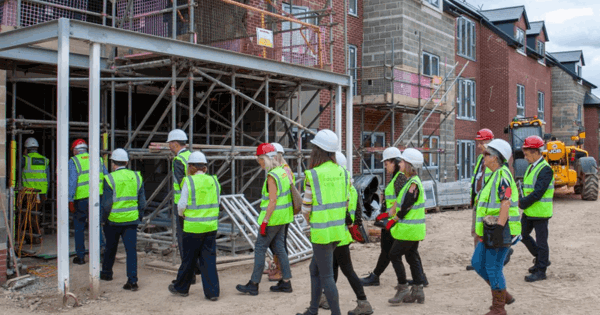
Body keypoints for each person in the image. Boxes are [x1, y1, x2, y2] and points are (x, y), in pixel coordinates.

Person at [295, 129, 348, 315]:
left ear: (317, 150)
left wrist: (313, 222)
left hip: (321, 233)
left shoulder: (314, 174)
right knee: (315, 269)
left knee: (326, 276)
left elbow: (306, 209)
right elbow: (346, 202)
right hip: (337, 232)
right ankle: (312, 310)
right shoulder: (343, 172)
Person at [319, 151, 372, 315]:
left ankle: (363, 302)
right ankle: (327, 297)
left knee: (347, 270)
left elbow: (346, 214)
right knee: (333, 267)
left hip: (339, 234)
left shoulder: (341, 186)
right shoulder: (349, 185)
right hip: (341, 233)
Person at [471, 139, 521, 315]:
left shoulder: (502, 176)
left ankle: (499, 308)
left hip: (501, 230)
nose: (483, 156)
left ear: (496, 158)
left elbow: (505, 202)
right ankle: (503, 294)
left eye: (487, 154)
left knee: (493, 268)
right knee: (477, 263)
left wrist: (499, 228)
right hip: (489, 230)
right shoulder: (493, 175)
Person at [236, 143, 293, 295]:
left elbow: (272, 201)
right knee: (280, 249)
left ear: (267, 159)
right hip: (283, 218)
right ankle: (286, 282)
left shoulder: (272, 176)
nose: (259, 163)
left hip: (272, 219)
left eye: (260, 159)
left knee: (260, 249)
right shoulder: (282, 172)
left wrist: (265, 222)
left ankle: (254, 284)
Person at [169, 151, 221, 300]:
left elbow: (182, 204)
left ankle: (181, 288)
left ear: (191, 167)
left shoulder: (189, 181)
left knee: (189, 259)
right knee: (209, 260)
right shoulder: (214, 181)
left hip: (192, 228)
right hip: (210, 227)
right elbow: (218, 202)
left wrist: (182, 214)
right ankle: (213, 293)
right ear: (204, 167)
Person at [384, 148, 427, 305]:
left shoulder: (413, 184)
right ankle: (418, 290)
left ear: (409, 164)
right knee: (412, 256)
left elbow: (407, 205)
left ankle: (403, 288)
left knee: (394, 254)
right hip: (414, 230)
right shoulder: (411, 181)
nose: (399, 163)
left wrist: (395, 218)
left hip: (408, 230)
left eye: (402, 161)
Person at [100, 149, 146, 291]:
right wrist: (139, 216)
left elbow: (107, 204)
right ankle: (132, 281)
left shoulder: (109, 178)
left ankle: (107, 273)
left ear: (113, 163)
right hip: (131, 221)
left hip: (113, 221)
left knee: (110, 247)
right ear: (126, 162)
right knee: (131, 251)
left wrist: (103, 219)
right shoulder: (137, 177)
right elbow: (142, 202)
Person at [361, 147, 407, 286]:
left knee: (389, 251)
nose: (385, 167)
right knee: (403, 252)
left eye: (386, 164)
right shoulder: (396, 177)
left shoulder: (399, 178)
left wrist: (388, 216)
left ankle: (376, 277)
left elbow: (401, 200)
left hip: (392, 220)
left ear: (395, 162)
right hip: (391, 219)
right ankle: (420, 278)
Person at [519, 136, 554, 282]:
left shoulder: (545, 169)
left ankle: (541, 271)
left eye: (527, 154)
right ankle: (541, 259)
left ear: (535, 152)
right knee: (521, 234)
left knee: (541, 242)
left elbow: (538, 192)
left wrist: (523, 203)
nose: (525, 157)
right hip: (530, 211)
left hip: (540, 212)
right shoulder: (532, 166)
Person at [167, 129, 199, 284]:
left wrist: (182, 206)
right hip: (196, 203)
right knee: (194, 237)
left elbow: (182, 183)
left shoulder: (178, 160)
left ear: (174, 144)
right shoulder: (192, 157)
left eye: (169, 144)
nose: (169, 146)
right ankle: (195, 268)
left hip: (183, 204)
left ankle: (189, 274)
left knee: (183, 240)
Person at [68, 139, 108, 265]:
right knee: (96, 225)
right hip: (98, 197)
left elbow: (72, 182)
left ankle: (80, 257)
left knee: (79, 227)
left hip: (81, 200)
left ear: (75, 150)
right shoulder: (98, 159)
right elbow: (106, 178)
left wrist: (70, 199)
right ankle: (101, 253)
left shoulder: (74, 161)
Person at [467, 129, 495, 271]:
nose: (479, 145)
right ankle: (477, 260)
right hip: (478, 201)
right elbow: (477, 178)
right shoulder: (481, 159)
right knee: (476, 231)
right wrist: (473, 196)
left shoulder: (494, 159)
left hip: (486, 203)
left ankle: (483, 260)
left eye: (481, 142)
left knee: (484, 232)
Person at [268, 142, 294, 282]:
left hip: (281, 213)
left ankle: (281, 270)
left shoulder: (283, 170)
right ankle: (277, 267)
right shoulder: (283, 168)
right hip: (281, 213)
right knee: (276, 243)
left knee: (280, 244)